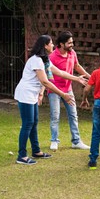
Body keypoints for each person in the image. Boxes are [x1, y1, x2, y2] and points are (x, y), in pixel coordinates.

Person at [14, 35, 87, 165]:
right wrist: (63, 94)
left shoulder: (45, 60)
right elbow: (45, 82)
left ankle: (36, 151)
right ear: (45, 46)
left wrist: (77, 79)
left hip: (31, 95)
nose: (53, 45)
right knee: (27, 124)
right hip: (25, 94)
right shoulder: (36, 60)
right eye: (51, 43)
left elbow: (60, 72)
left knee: (34, 122)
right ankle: (22, 155)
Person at [48, 31, 91, 151]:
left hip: (68, 89)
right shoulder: (52, 57)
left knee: (73, 115)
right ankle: (54, 141)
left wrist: (89, 76)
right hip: (55, 90)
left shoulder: (72, 53)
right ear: (61, 44)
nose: (72, 45)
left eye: (72, 42)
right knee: (55, 116)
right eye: (69, 43)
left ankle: (76, 141)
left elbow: (77, 66)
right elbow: (51, 75)